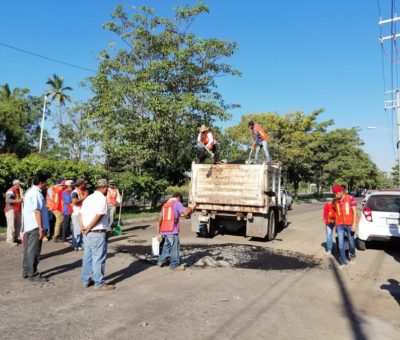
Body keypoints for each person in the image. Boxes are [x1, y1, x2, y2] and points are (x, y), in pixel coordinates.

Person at [79, 179, 114, 291]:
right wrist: (89, 227)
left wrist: (83, 227)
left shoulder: (89, 198)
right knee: (98, 258)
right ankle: (99, 283)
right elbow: (99, 215)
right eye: (107, 188)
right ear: (104, 187)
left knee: (87, 257)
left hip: (87, 232)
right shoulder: (101, 199)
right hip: (96, 232)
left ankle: (85, 280)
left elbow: (80, 214)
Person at [157, 192, 196, 270]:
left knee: (166, 246)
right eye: (180, 200)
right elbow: (185, 213)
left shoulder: (165, 205)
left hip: (164, 230)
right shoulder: (177, 203)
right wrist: (191, 207)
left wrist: (159, 232)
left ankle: (161, 261)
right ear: (178, 197)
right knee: (175, 247)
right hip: (172, 230)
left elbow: (160, 218)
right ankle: (174, 265)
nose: (180, 201)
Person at [22, 173, 49, 282]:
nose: (46, 185)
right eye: (45, 183)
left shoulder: (30, 191)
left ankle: (26, 271)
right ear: (41, 183)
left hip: (30, 225)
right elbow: (37, 211)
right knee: (34, 251)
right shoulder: (36, 193)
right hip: (35, 226)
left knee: (28, 250)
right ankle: (33, 273)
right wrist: (41, 228)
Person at [332, 185, 357, 267]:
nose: (335, 195)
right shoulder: (335, 201)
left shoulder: (350, 198)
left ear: (342, 192)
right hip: (339, 225)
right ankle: (343, 261)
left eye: (337, 193)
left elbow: (355, 212)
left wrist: (354, 224)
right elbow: (336, 214)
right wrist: (335, 226)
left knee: (351, 242)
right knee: (340, 244)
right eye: (334, 193)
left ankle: (352, 255)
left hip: (349, 224)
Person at [4, 179, 24, 246]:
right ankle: (10, 240)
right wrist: (17, 201)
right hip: (10, 210)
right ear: (16, 184)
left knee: (18, 225)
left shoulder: (18, 190)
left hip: (17, 210)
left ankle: (16, 238)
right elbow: (7, 200)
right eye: (19, 184)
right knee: (11, 225)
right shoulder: (11, 190)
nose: (20, 185)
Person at [71, 179, 88, 251]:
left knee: (82, 229)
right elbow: (74, 202)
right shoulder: (74, 192)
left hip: (83, 213)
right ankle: (75, 245)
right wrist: (84, 198)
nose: (85, 185)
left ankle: (81, 244)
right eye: (84, 184)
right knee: (77, 230)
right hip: (76, 213)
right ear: (80, 184)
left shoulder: (84, 191)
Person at [61, 180, 74, 246]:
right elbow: (68, 201)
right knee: (65, 225)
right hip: (67, 211)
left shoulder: (70, 192)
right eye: (71, 186)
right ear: (68, 186)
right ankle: (63, 240)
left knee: (71, 225)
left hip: (71, 210)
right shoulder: (64, 192)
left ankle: (70, 237)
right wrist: (73, 198)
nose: (72, 187)